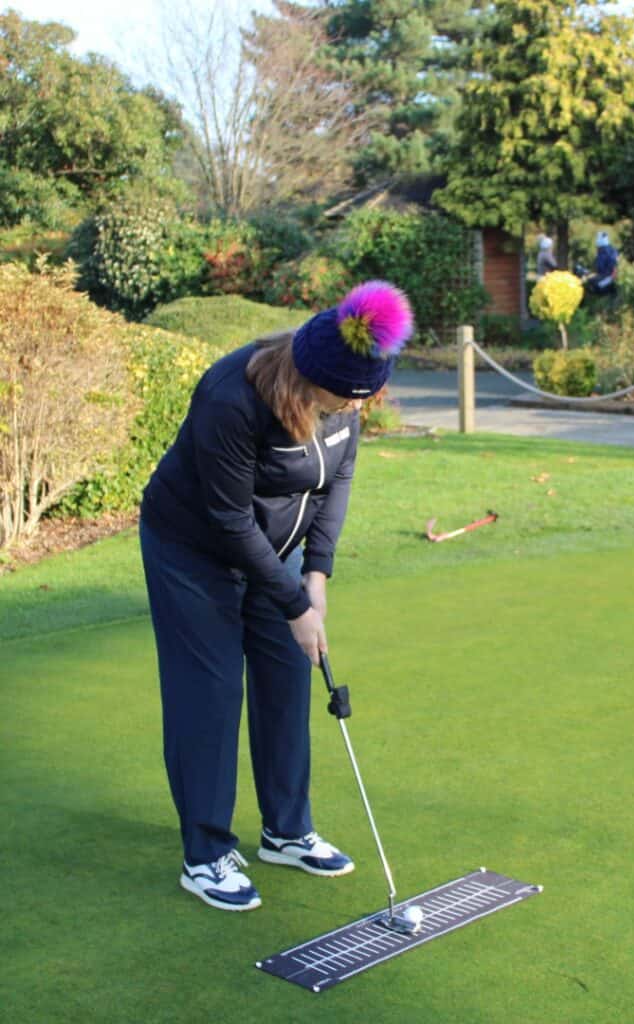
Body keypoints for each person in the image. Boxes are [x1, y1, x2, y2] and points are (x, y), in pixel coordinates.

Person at [139, 280, 414, 912]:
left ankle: (286, 831)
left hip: (279, 551)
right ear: (315, 381)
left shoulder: (347, 398)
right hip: (193, 551)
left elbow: (336, 482)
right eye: (350, 396)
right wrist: (294, 606)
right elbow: (230, 520)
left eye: (367, 395)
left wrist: (316, 577)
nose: (359, 406)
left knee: (289, 676)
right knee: (207, 693)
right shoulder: (231, 398)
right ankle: (205, 855)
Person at [591, 231, 619, 297]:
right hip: (606, 275)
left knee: (597, 286)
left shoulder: (605, 251)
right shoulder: (611, 250)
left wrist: (613, 275)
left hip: (608, 276)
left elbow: (612, 265)